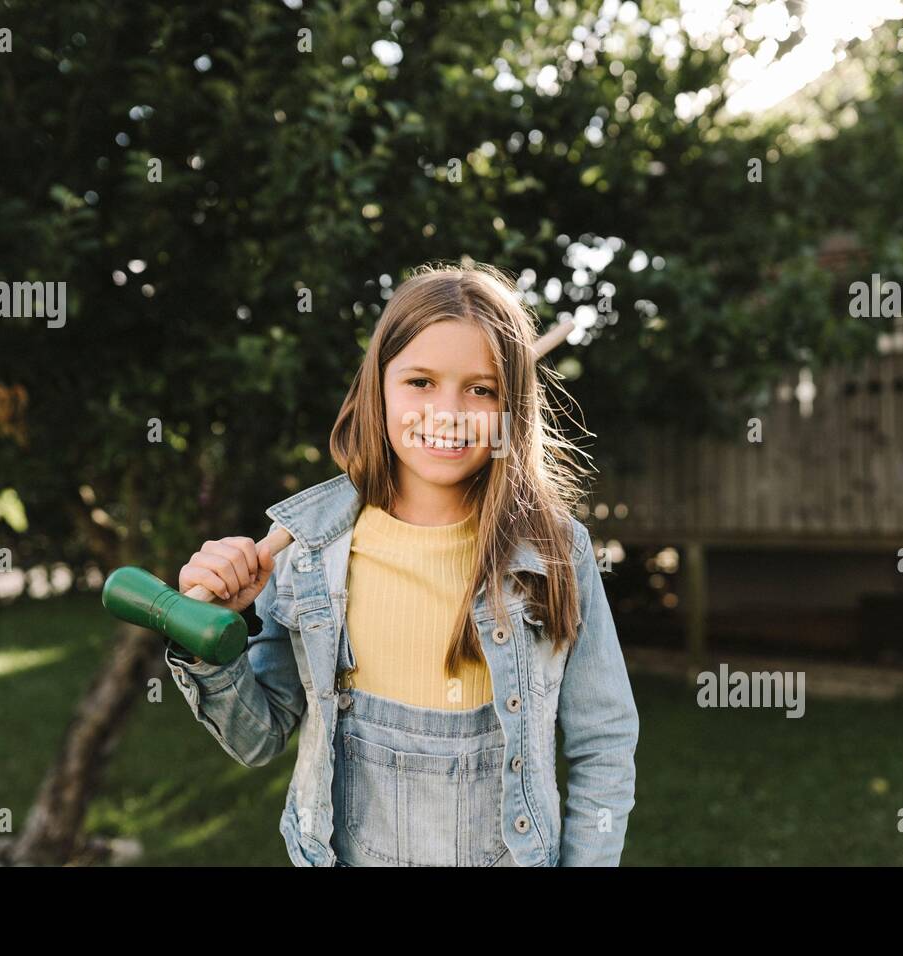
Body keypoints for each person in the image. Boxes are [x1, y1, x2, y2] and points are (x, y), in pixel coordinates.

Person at [165, 261, 639, 865]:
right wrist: (213, 643)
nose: (447, 412)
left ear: (510, 406)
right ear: (378, 388)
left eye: (480, 388)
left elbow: (604, 742)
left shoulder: (553, 551)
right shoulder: (308, 554)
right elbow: (258, 739)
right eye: (420, 381)